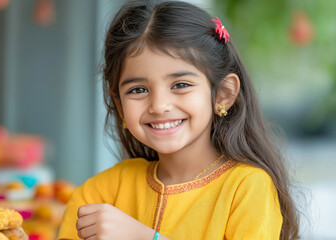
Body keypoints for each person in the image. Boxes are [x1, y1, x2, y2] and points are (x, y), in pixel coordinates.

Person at [58, 1, 299, 239]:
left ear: (223, 95)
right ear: (119, 104)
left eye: (180, 85)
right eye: (138, 90)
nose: (159, 106)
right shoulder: (99, 192)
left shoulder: (246, 187)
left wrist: (145, 236)